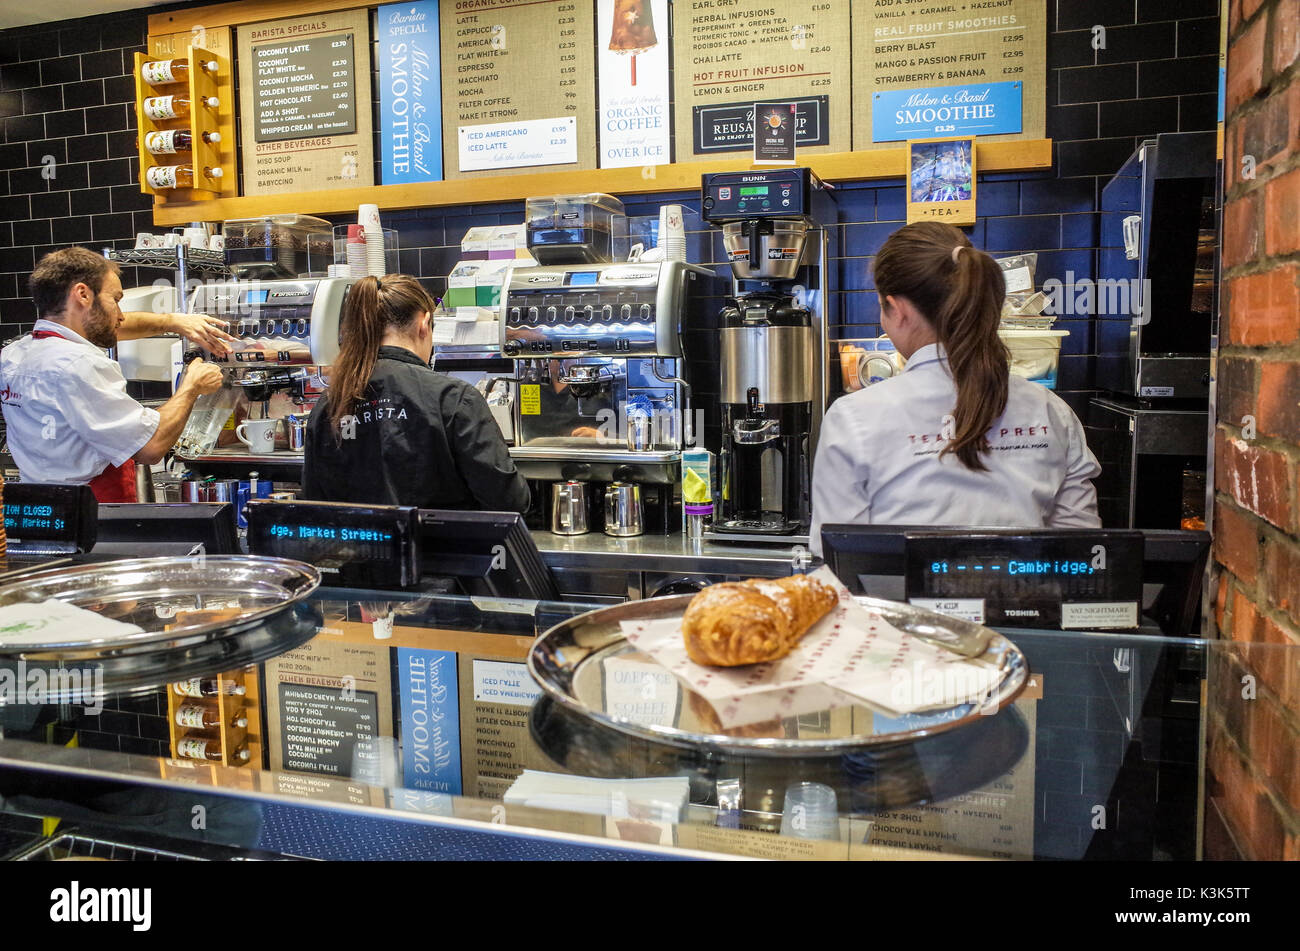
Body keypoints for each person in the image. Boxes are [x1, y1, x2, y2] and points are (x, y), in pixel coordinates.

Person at [810, 222, 1101, 555]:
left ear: (899, 310)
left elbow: (837, 561)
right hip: (1027, 603)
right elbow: (1079, 553)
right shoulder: (1052, 411)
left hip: (897, 608)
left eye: (882, 307)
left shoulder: (853, 418)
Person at [0, 247, 232, 502]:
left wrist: (173, 321)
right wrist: (191, 386)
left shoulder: (15, 354)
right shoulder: (79, 363)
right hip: (93, 516)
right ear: (83, 294)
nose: (120, 314)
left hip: (40, 509)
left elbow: (111, 327)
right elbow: (150, 447)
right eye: (116, 300)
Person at [302, 274, 530, 513]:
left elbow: (313, 507)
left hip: (355, 549)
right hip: (442, 549)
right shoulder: (454, 398)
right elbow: (509, 501)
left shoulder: (329, 404)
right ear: (424, 323)